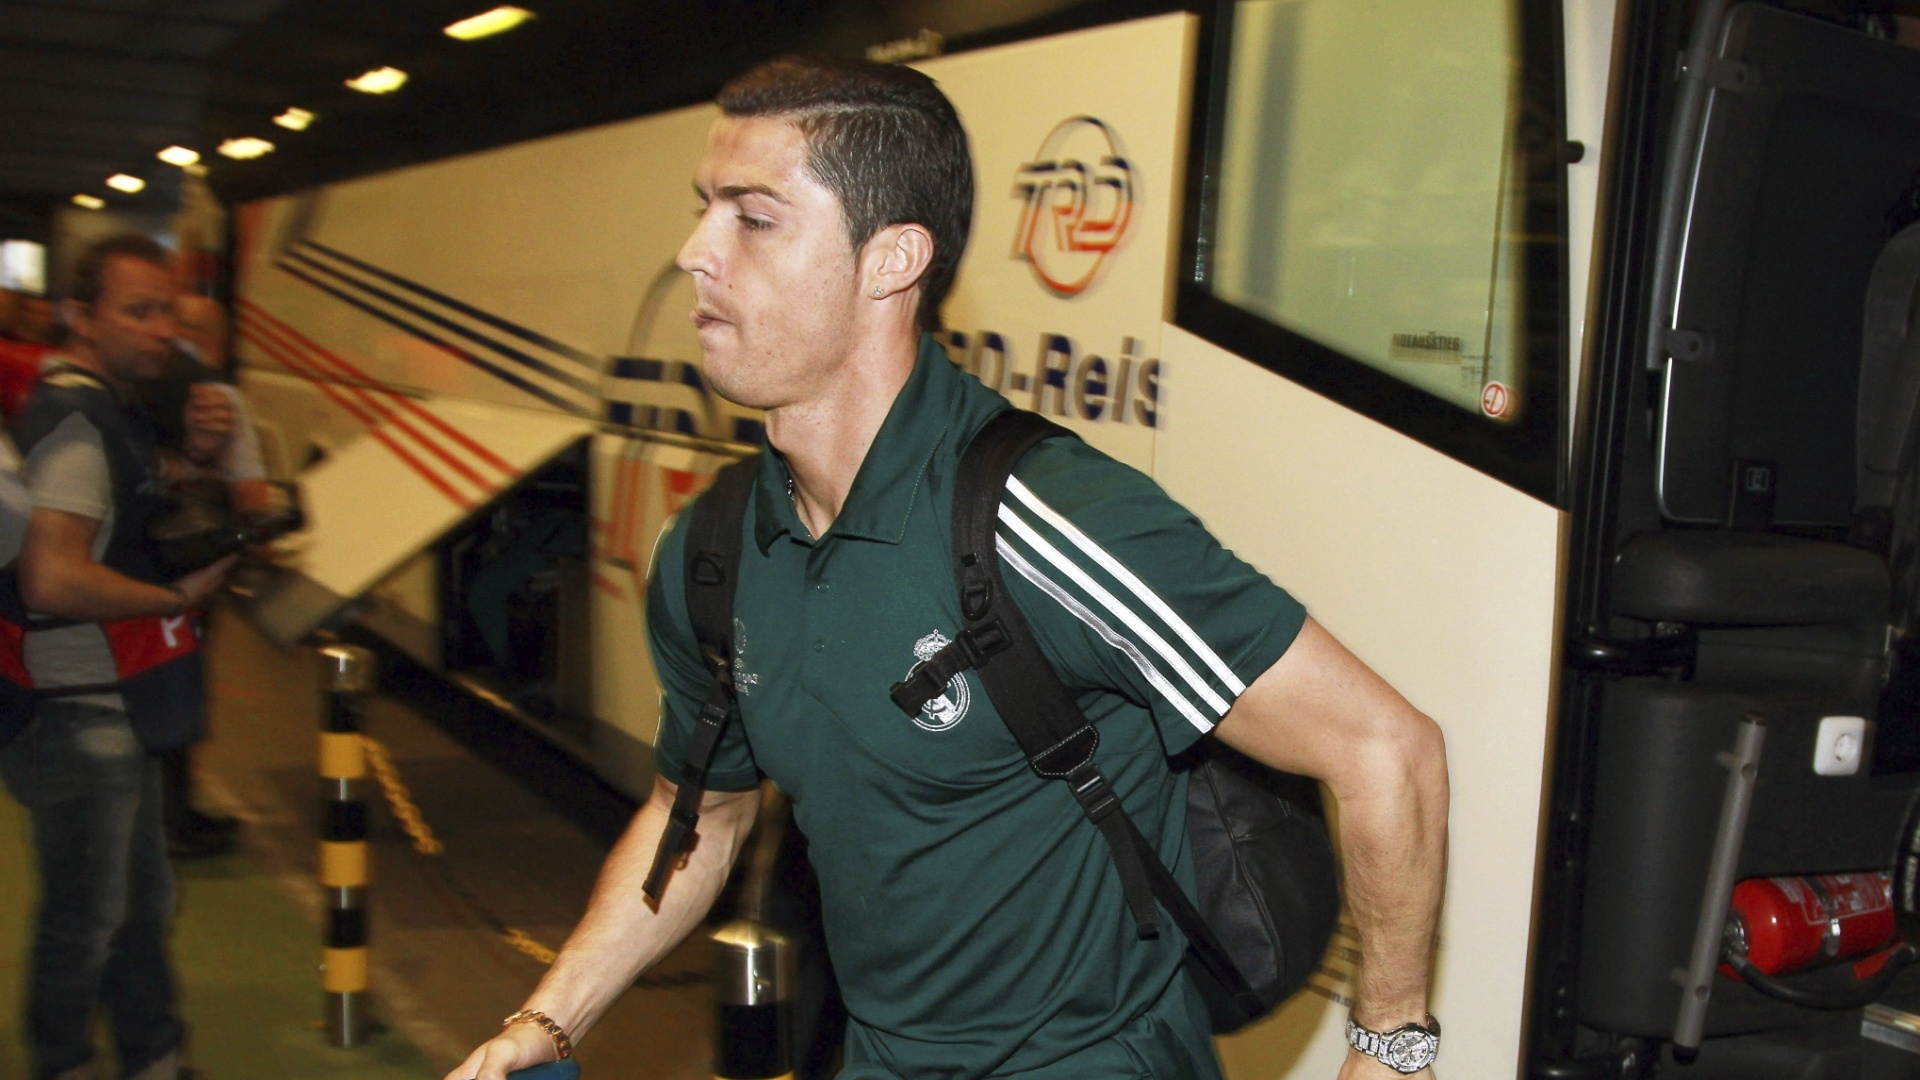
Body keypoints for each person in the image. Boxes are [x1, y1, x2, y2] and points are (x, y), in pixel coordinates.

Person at [449, 57, 1447, 1080]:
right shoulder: (713, 554)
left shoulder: (1046, 520)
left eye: (754, 218)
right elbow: (695, 813)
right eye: (705, 209)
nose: (695, 251)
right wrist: (552, 1020)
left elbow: (1386, 749)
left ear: (892, 260)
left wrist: (1391, 1049)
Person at [2, 233, 235, 1080]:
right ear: (77, 316)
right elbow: (53, 577)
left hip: (110, 700)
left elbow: (120, 521)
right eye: (137, 310)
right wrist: (177, 597)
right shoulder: (75, 417)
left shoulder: (110, 408)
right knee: (88, 916)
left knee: (139, 906)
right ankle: (62, 1064)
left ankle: (153, 1057)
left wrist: (202, 461)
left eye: (166, 309)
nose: (160, 329)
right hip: (78, 706)